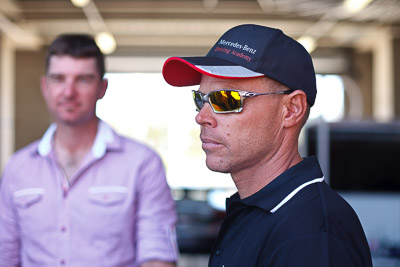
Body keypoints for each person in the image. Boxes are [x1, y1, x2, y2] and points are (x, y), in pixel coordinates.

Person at [162, 24, 372, 266]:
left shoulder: (312, 235)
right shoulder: (259, 210)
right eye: (201, 99)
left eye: (226, 98)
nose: (202, 117)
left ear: (291, 110)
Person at [0, 34, 178, 267]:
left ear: (102, 88)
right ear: (45, 86)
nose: (68, 92)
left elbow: (158, 258)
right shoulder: (17, 169)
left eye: (83, 79)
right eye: (58, 78)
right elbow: (5, 257)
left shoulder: (142, 164)